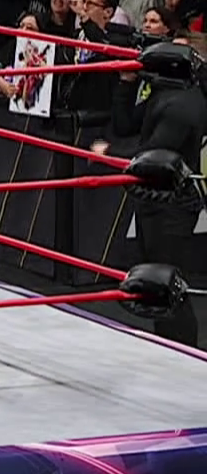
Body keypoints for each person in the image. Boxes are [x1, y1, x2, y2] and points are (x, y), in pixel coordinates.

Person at [93, 42, 207, 347]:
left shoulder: (184, 104)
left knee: (167, 282)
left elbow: (153, 152)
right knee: (156, 282)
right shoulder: (165, 91)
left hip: (173, 205)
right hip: (153, 199)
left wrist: (110, 154)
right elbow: (125, 124)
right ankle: (168, 346)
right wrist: (126, 83)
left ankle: (184, 351)